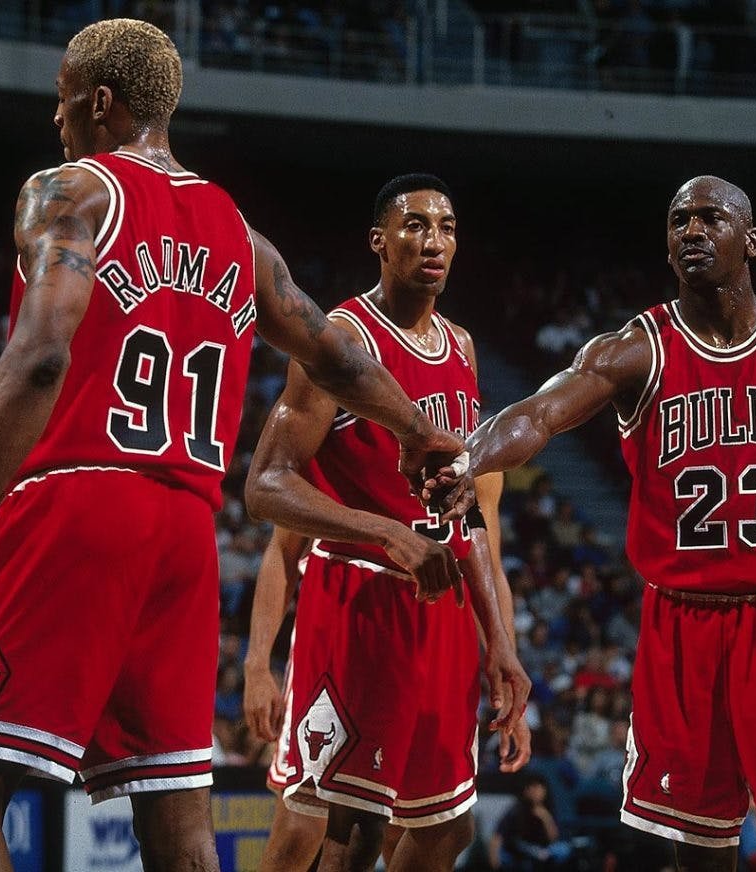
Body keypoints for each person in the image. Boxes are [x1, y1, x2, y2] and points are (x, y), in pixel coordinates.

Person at [0, 21, 466, 872]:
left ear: (100, 101)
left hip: (77, 501)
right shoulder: (237, 231)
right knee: (178, 827)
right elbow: (337, 354)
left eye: (63, 97)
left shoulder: (71, 191)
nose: (55, 116)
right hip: (185, 535)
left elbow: (42, 357)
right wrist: (417, 430)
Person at [433, 176, 756, 871]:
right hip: (681, 623)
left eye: (712, 217)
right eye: (679, 219)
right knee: (698, 851)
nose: (692, 230)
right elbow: (537, 415)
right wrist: (469, 458)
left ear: (751, 240)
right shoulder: (635, 348)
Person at [243, 173, 531, 872]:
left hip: (444, 610)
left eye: (446, 227)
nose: (434, 241)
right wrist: (258, 661)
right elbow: (267, 489)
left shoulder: (462, 347)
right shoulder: (339, 339)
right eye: (415, 225)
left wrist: (500, 641)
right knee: (343, 830)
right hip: (358, 597)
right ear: (378, 241)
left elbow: (470, 517)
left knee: (445, 829)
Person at [244, 473, 529, 871]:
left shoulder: (478, 447)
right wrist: (257, 663)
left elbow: (490, 568)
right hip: (355, 612)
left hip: (442, 629)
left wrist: (506, 663)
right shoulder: (345, 437)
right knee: (304, 825)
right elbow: (283, 547)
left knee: (441, 829)